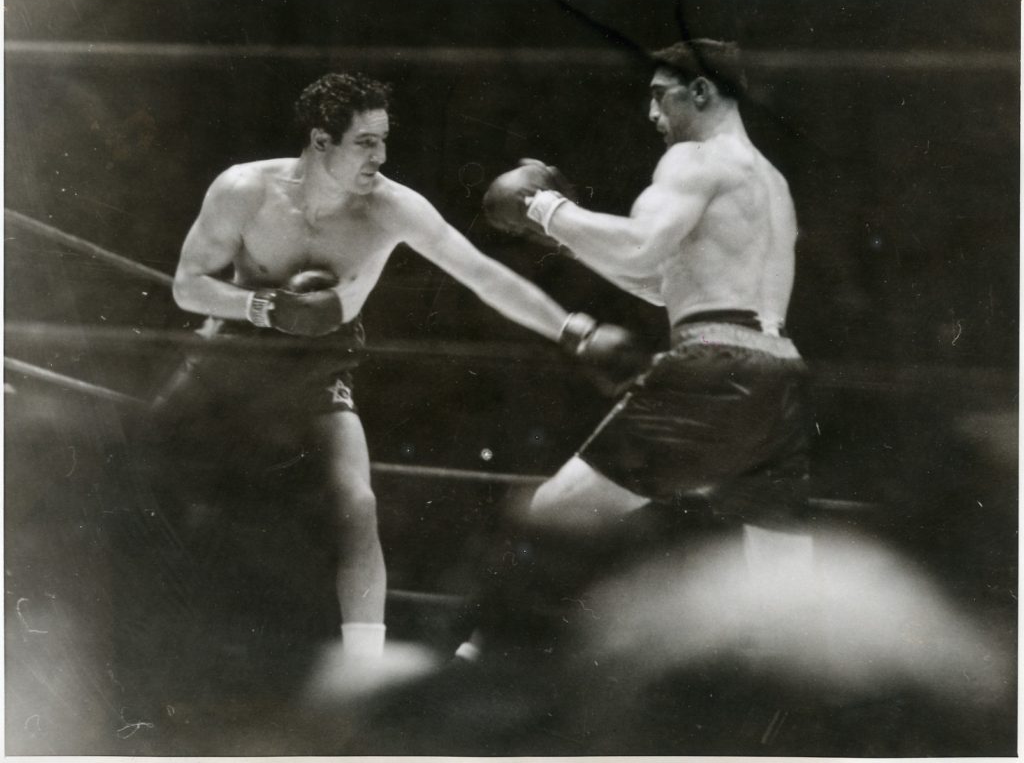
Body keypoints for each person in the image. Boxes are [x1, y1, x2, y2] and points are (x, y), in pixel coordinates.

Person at [166, 72, 641, 682]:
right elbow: (187, 284)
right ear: (320, 140)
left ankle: (365, 675)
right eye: (365, 142)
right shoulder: (244, 189)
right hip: (237, 345)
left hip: (323, 358)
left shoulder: (393, 207)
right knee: (157, 464)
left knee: (357, 504)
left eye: (384, 140)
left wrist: (573, 330)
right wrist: (266, 306)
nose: (381, 156)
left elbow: (481, 274)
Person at [456, 39, 813, 661]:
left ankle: (478, 671)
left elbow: (641, 247)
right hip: (778, 373)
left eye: (659, 95)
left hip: (714, 366)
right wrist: (568, 238)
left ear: (700, 91)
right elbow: (657, 284)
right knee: (779, 569)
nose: (650, 114)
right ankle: (809, 713)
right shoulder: (768, 180)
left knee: (555, 513)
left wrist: (545, 207)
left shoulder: (693, 161)